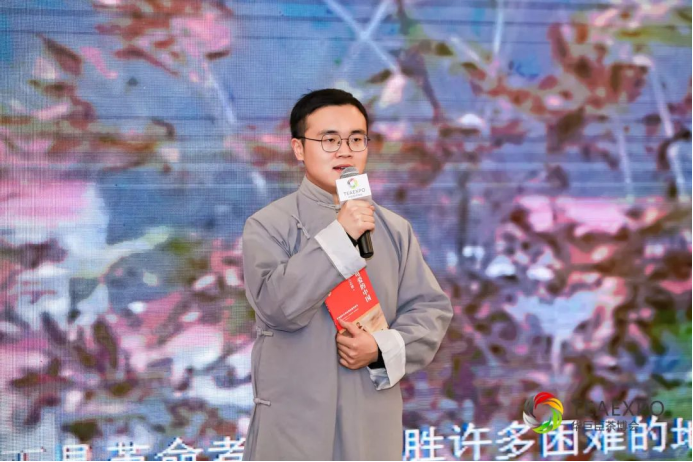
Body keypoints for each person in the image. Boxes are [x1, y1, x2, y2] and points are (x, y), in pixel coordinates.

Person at [241, 89, 453, 461]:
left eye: (356, 139)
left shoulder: (393, 229)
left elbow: (430, 310)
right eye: (329, 140)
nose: (345, 151)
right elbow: (277, 308)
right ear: (298, 148)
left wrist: (380, 348)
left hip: (370, 423)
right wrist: (341, 235)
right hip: (295, 425)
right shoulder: (268, 225)